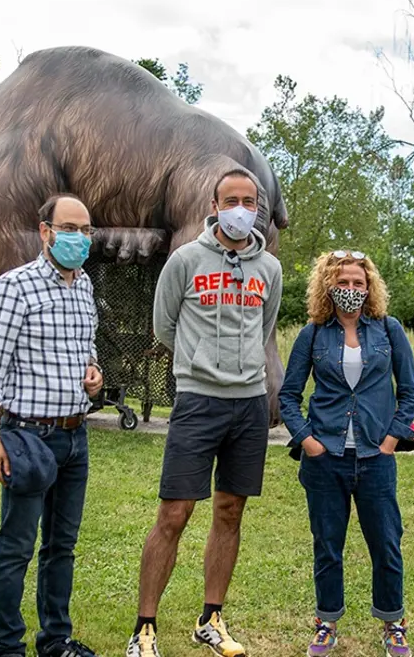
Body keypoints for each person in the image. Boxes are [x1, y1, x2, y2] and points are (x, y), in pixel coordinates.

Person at [126, 167, 283, 657]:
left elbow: (264, 328)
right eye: (231, 199)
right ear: (213, 207)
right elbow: (164, 326)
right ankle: (144, 629)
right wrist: (201, 364)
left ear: (257, 207)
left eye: (250, 200)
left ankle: (211, 618)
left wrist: (241, 369)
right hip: (197, 402)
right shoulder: (185, 260)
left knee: (229, 512)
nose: (241, 208)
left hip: (249, 405)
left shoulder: (269, 270)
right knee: (174, 513)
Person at [0, 193, 105, 657]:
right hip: (27, 436)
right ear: (45, 231)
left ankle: (55, 640)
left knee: (62, 547)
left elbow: (85, 347)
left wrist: (94, 374)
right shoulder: (15, 287)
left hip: (75, 436)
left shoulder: (86, 285)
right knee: (16, 547)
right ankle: (7, 647)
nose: (79, 238)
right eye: (69, 229)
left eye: (86, 230)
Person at [278, 250, 414, 657]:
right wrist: (308, 440)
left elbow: (408, 393)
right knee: (327, 544)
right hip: (326, 458)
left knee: (386, 543)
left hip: (376, 458)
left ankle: (393, 622)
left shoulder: (389, 331)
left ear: (369, 287)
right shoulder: (313, 334)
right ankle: (326, 622)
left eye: (358, 283)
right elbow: (289, 395)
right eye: (343, 282)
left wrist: (392, 438)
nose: (351, 290)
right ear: (328, 286)